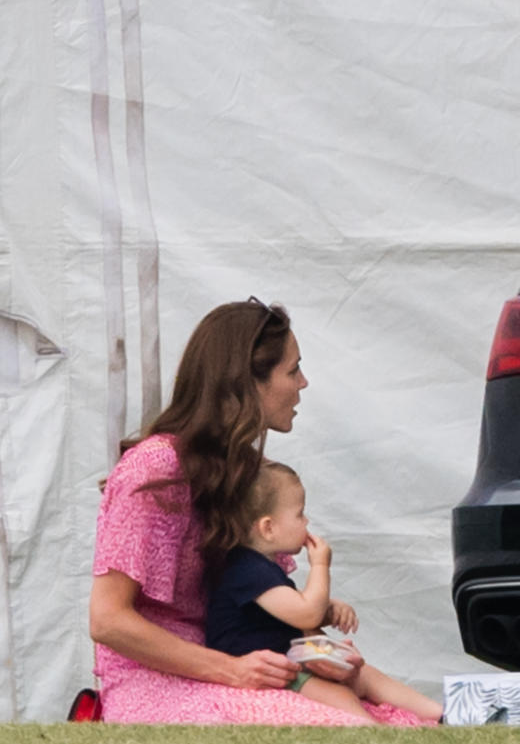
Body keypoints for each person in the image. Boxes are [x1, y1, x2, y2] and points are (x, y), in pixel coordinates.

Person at [89, 297, 436, 725]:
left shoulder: (246, 473)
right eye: (292, 370)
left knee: (393, 716)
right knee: (343, 725)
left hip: (242, 664)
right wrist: (230, 670)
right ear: (245, 382)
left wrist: (319, 650)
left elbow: (267, 608)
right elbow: (108, 621)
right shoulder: (154, 468)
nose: (303, 383)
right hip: (158, 682)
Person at [206, 461, 443, 723]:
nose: (307, 522)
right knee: (340, 697)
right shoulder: (246, 570)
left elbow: (291, 613)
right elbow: (305, 614)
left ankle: (440, 714)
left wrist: (327, 613)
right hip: (267, 672)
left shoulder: (261, 567)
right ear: (268, 528)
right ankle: (375, 731)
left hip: (288, 659)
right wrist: (320, 564)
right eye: (300, 514)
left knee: (366, 675)